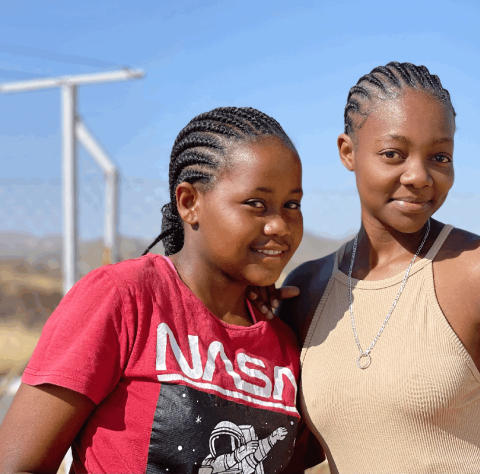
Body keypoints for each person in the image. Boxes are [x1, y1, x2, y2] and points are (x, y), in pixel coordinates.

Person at [265, 62, 480, 473]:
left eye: (439, 157)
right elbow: (290, 451)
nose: (419, 176)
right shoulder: (307, 289)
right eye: (393, 154)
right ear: (348, 152)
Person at [0, 107, 308, 474]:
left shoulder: (284, 344)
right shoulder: (123, 297)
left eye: (292, 204)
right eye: (256, 204)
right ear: (189, 202)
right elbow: (16, 465)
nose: (279, 225)